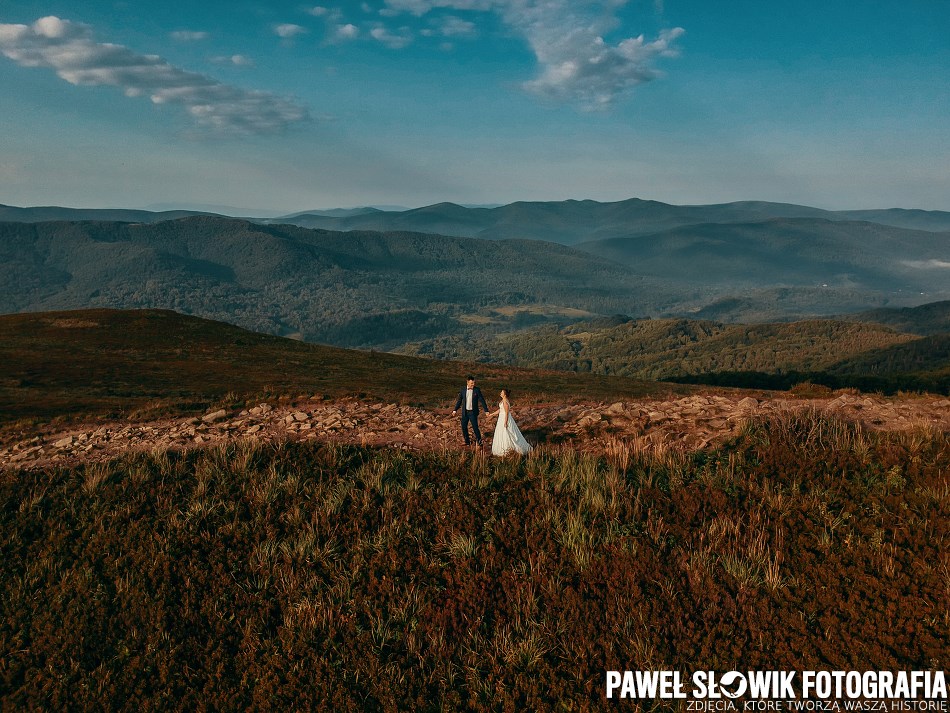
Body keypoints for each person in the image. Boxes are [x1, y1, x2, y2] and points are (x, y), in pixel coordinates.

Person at [490, 388, 531, 456]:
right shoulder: (503, 400)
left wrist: (505, 422)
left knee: (507, 432)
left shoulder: (505, 401)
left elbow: (506, 413)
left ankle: (508, 449)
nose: (500, 393)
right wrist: (492, 414)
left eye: (502, 392)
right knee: (501, 432)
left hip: (504, 418)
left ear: (505, 395)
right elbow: (500, 410)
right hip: (501, 418)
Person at [452, 375, 490, 447]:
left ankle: (479, 442)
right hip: (465, 412)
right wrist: (455, 410)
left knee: (475, 427)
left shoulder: (477, 390)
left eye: (474, 383)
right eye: (472, 383)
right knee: (464, 427)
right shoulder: (463, 390)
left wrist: (486, 410)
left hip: (473, 412)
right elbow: (459, 401)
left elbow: (482, 400)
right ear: (467, 382)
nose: (473, 384)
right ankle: (467, 442)